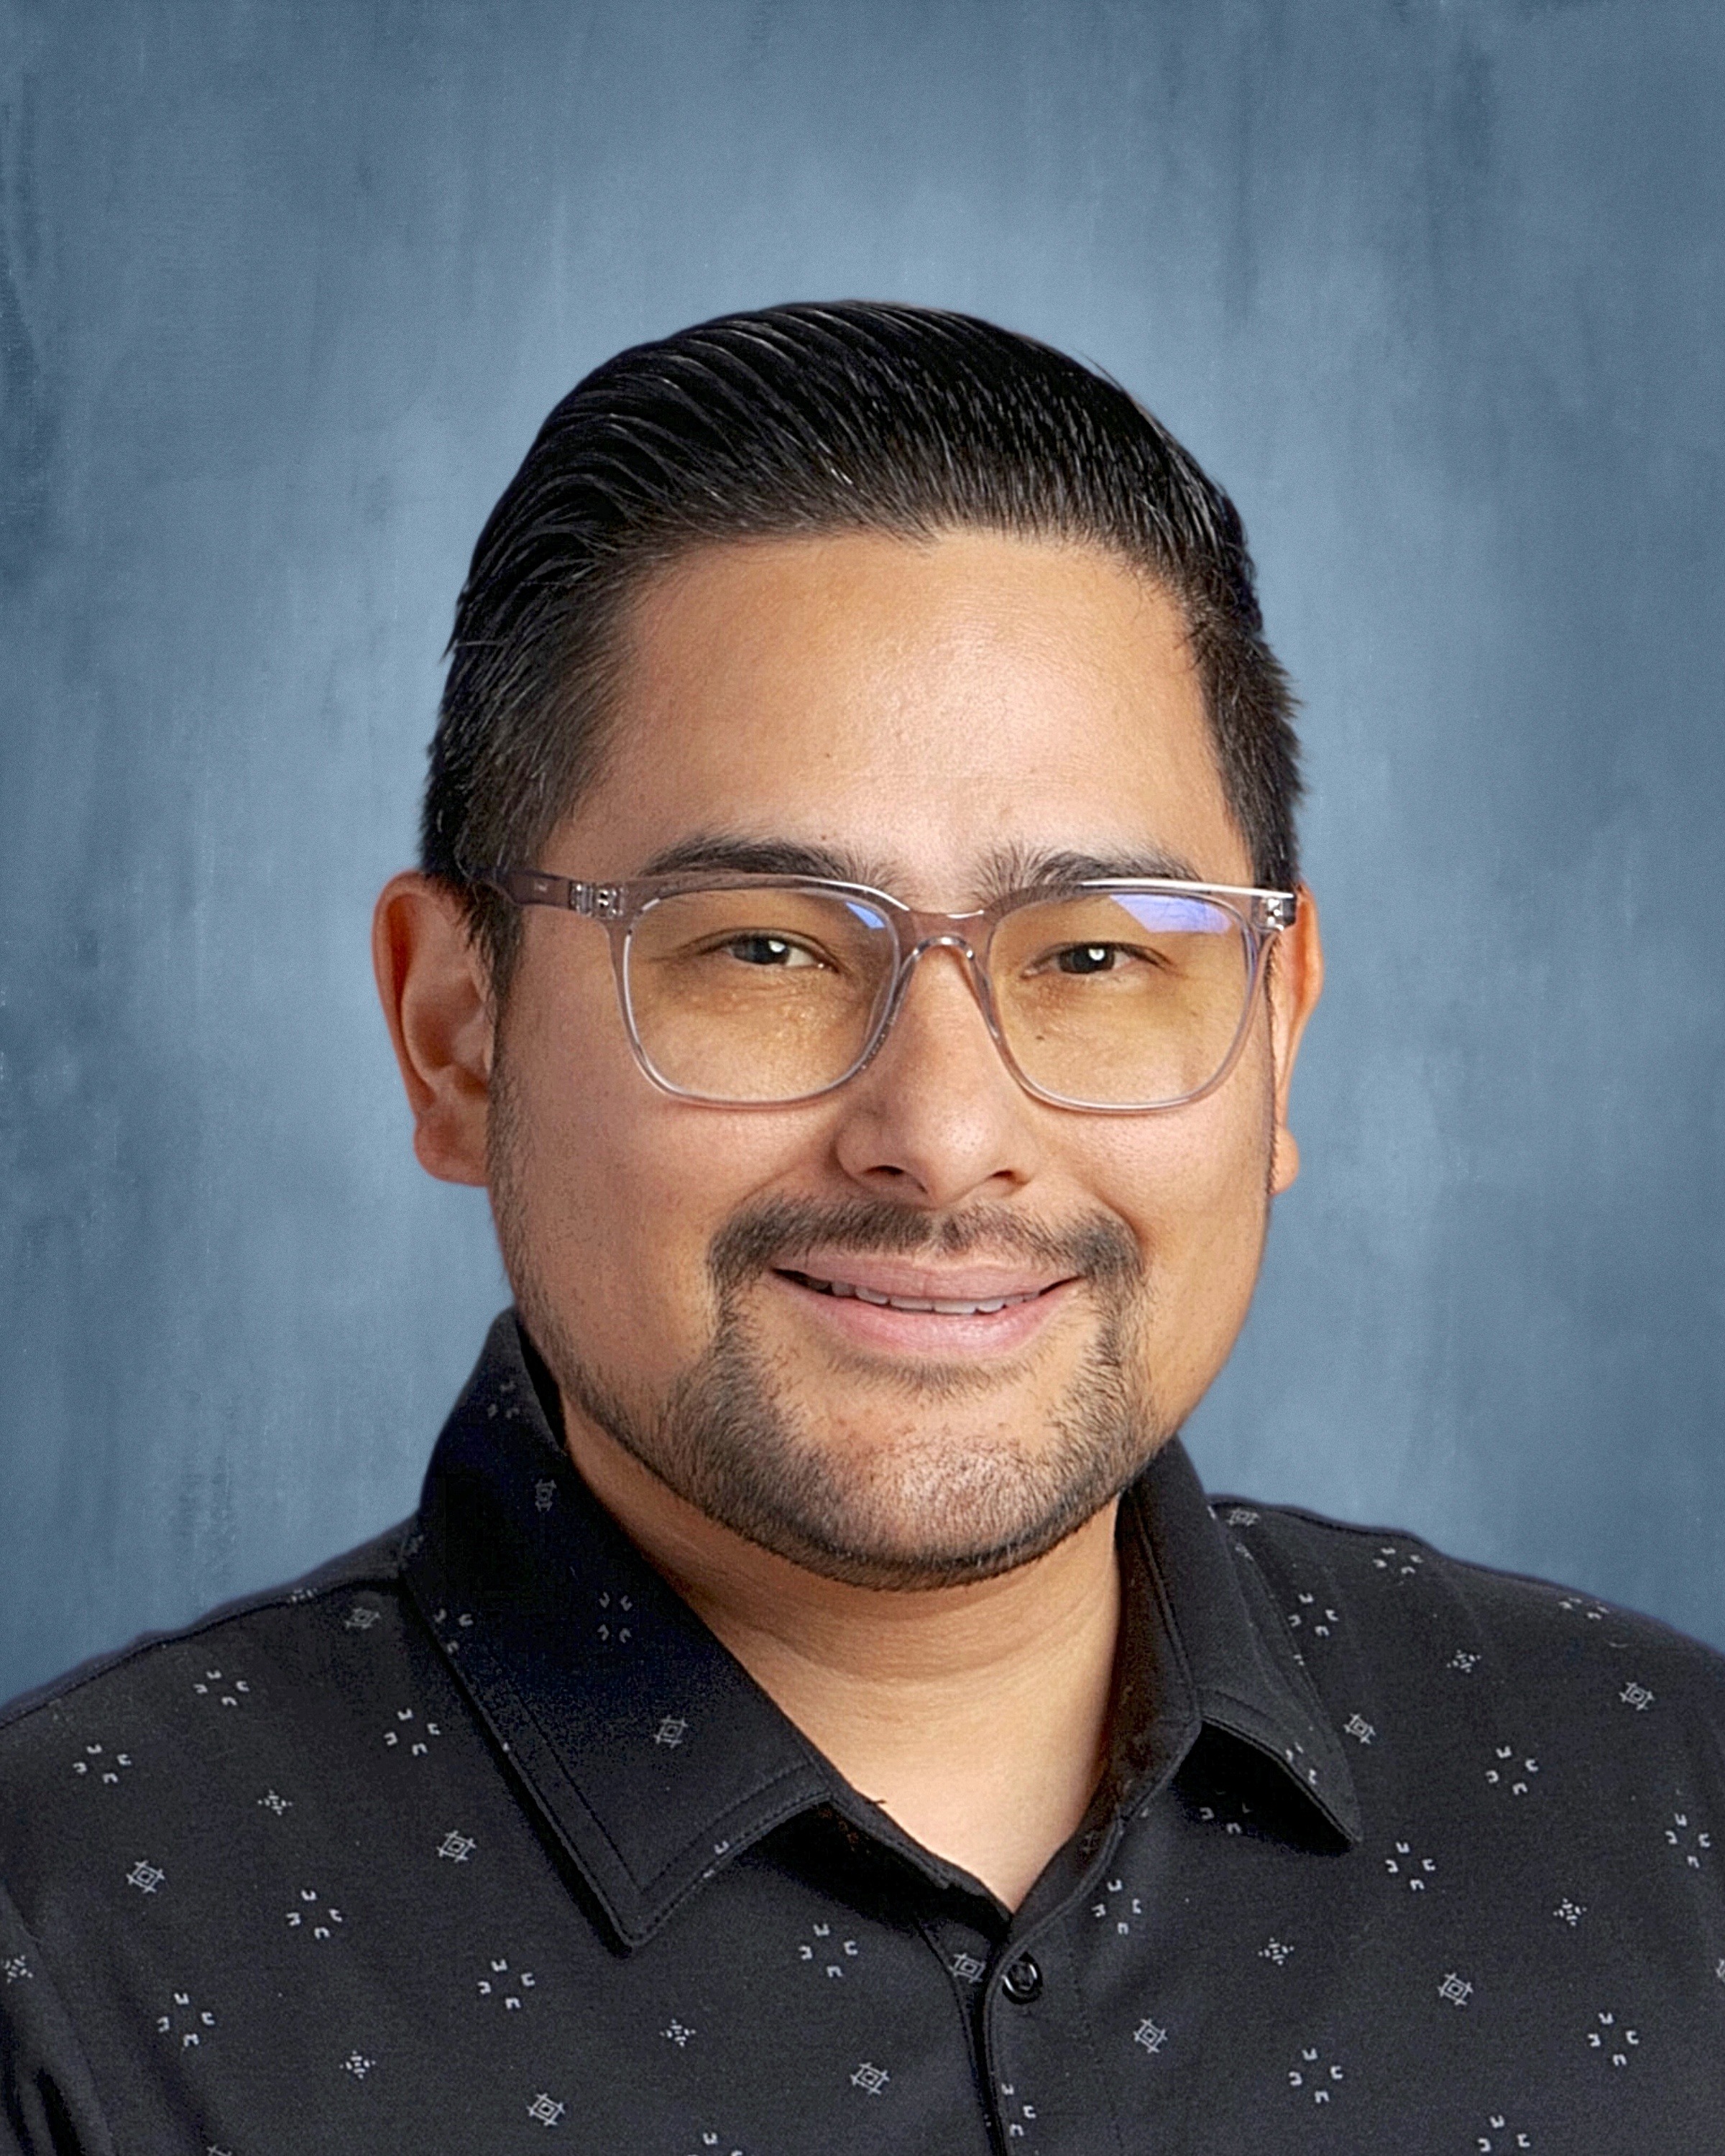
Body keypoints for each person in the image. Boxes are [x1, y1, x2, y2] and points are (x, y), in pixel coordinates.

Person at [2, 304, 1721, 2155]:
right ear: (458, 1035)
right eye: (761, 948)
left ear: (1276, 1034)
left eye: (1092, 955)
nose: (946, 1136)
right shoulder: (74, 1955)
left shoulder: (1672, 1820)